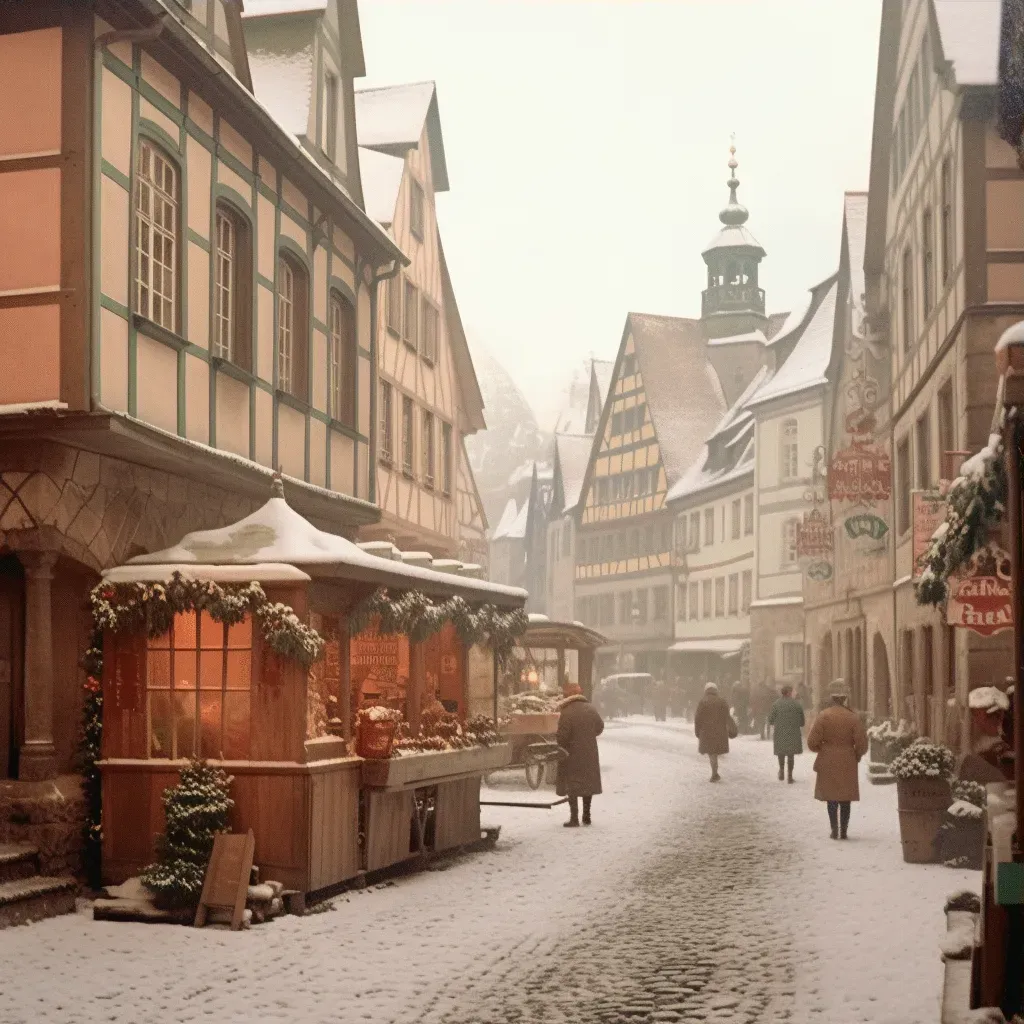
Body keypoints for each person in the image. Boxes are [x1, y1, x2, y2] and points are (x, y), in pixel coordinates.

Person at [807, 679, 869, 839]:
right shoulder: (853, 717)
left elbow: (812, 742)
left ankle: (834, 829)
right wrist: (857, 754)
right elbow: (861, 743)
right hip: (848, 759)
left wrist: (822, 749)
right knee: (845, 797)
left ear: (832, 699)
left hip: (827, 758)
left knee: (831, 796)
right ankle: (844, 830)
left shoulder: (823, 716)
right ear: (844, 699)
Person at [556, 681, 605, 827]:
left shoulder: (566, 711)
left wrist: (560, 743)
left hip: (572, 753)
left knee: (573, 785)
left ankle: (574, 818)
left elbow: (563, 736)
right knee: (587, 784)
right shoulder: (590, 708)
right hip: (589, 751)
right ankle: (587, 816)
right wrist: (589, 736)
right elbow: (600, 726)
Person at [694, 681, 737, 782]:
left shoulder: (703, 701)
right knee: (715, 752)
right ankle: (715, 773)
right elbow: (727, 717)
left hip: (707, 732)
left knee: (712, 753)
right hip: (720, 731)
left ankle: (714, 773)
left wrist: (697, 731)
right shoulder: (722, 701)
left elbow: (698, 718)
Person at [768, 684, 805, 783]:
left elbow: (771, 720)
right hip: (793, 732)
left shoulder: (776, 704)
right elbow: (802, 722)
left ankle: (781, 770)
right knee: (790, 754)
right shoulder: (796, 704)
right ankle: (790, 775)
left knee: (781, 752)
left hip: (780, 731)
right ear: (789, 693)